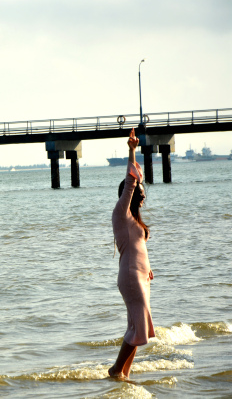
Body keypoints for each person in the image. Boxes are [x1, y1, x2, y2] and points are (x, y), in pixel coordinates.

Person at [108, 128, 155, 379]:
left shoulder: (135, 222)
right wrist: (132, 150)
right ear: (131, 194)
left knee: (136, 326)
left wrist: (148, 269)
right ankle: (116, 369)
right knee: (139, 327)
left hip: (140, 277)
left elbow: (139, 249)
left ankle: (124, 373)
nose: (143, 195)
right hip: (130, 277)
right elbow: (130, 180)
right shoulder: (121, 214)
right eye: (141, 191)